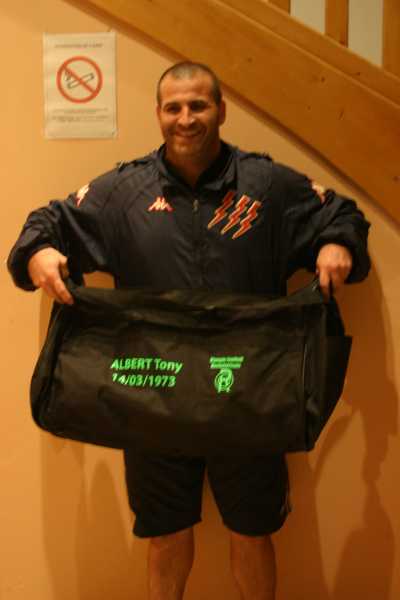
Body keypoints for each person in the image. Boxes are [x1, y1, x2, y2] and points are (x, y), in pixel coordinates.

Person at [8, 61, 370, 600]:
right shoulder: (124, 190)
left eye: (198, 105)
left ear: (221, 110)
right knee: (165, 533)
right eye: (173, 107)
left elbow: (342, 214)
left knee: (253, 531)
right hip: (153, 390)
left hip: (250, 391)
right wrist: (38, 252)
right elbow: (45, 222)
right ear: (158, 113)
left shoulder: (267, 185)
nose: (186, 118)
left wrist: (337, 243)